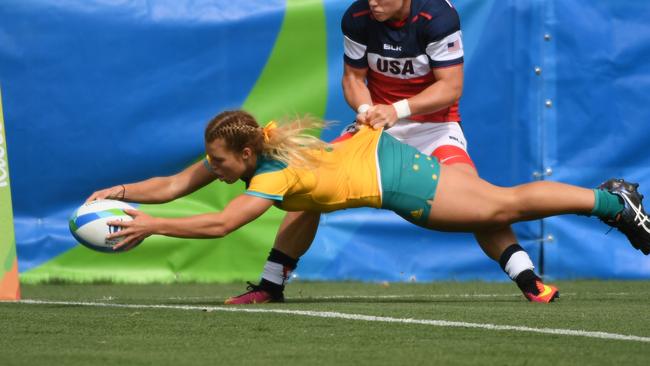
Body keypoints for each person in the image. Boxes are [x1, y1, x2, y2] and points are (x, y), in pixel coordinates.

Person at [88, 110, 650, 305]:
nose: (212, 168)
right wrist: (119, 193)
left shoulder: (274, 171)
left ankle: (611, 201)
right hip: (375, 160)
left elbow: (220, 223)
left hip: (400, 179)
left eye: (218, 160)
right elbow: (171, 182)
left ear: (245, 152)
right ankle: (273, 283)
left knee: (498, 207)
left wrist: (151, 228)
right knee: (305, 204)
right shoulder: (250, 158)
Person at [227, 0, 553, 304]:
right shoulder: (357, 17)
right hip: (377, 129)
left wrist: (397, 109)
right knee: (311, 180)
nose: (373, 3)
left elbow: (450, 87)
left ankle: (526, 278)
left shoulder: (438, 15)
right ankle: (270, 285)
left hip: (435, 129)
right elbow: (352, 79)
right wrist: (367, 108)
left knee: (478, 201)